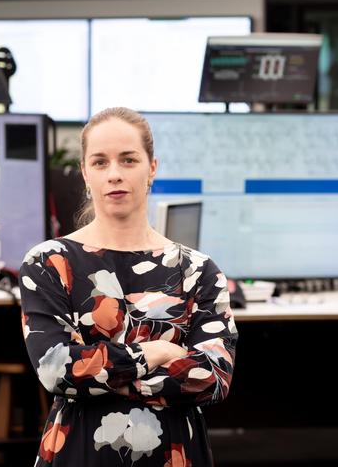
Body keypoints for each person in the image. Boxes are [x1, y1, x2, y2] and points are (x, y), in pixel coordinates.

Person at [19, 107, 237, 466]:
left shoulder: (197, 270)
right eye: (101, 163)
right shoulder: (49, 263)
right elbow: (57, 369)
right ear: (85, 173)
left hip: (175, 454)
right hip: (81, 453)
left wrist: (101, 375)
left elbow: (213, 378)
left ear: (152, 167)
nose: (115, 174)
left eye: (129, 160)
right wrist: (155, 354)